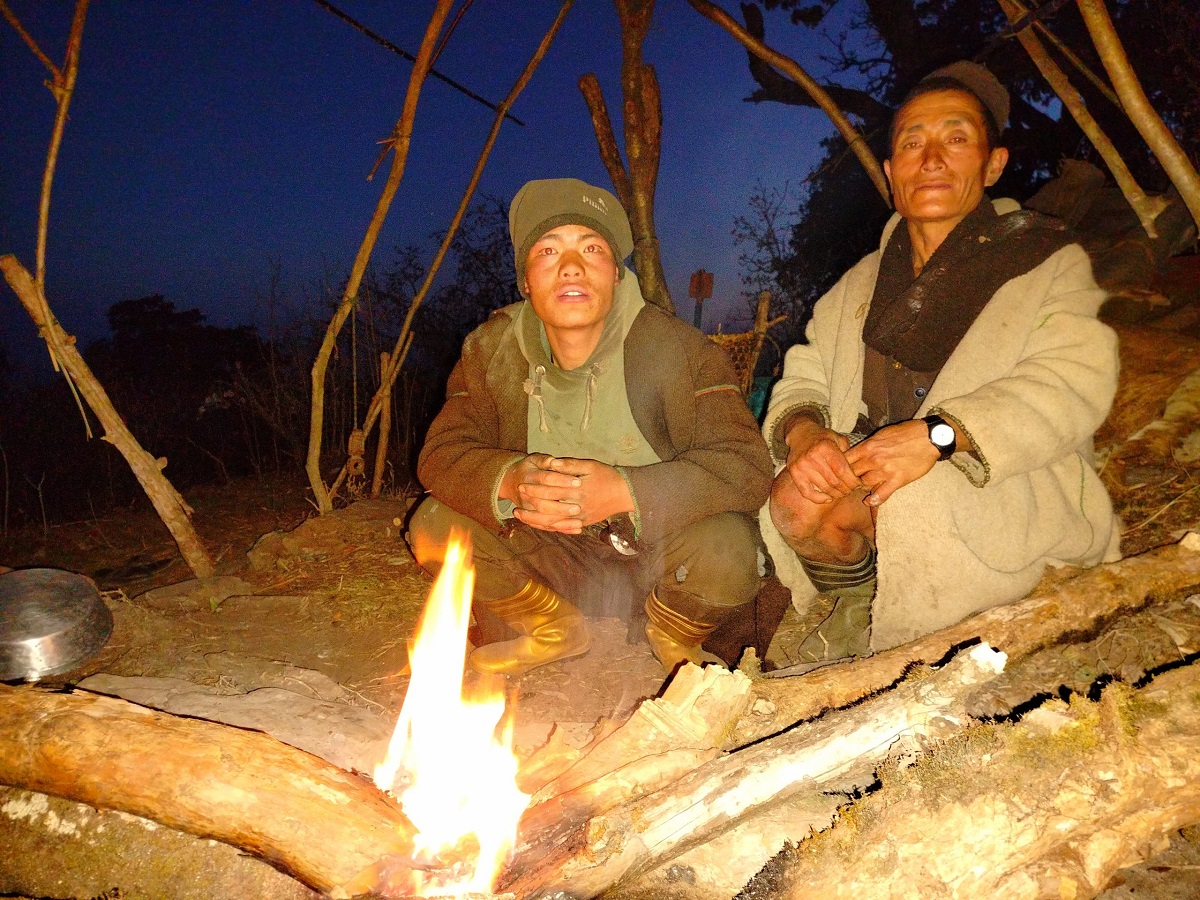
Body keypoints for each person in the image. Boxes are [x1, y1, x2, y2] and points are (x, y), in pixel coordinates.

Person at [760, 61, 1121, 664]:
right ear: (890, 172)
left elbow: (1073, 382)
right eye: (911, 144)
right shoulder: (859, 282)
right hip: (882, 473)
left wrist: (939, 436)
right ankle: (858, 605)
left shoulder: (1047, 259)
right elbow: (806, 370)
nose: (931, 158)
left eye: (956, 139)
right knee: (797, 493)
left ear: (993, 164)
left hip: (1011, 483)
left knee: (916, 497)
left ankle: (912, 656)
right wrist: (805, 434)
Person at [409, 177, 773, 676]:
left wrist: (625, 491)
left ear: (618, 276)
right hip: (549, 554)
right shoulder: (490, 348)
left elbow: (746, 466)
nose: (572, 265)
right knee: (432, 525)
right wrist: (512, 478)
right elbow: (442, 453)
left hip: (659, 560)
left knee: (729, 548)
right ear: (527, 281)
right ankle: (553, 626)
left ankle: (672, 634)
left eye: (593, 248)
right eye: (548, 250)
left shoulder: (679, 350)